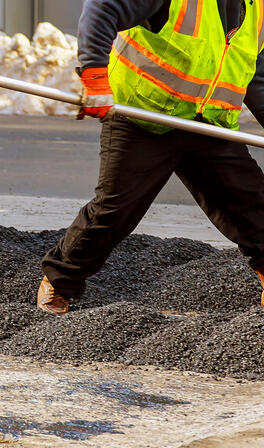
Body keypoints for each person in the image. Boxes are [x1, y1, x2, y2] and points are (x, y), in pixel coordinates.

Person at [37, 0, 264, 314]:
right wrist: (94, 77)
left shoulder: (256, 10)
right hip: (143, 115)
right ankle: (60, 281)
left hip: (207, 122)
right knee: (114, 211)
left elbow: (256, 74)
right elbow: (101, 9)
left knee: (252, 202)